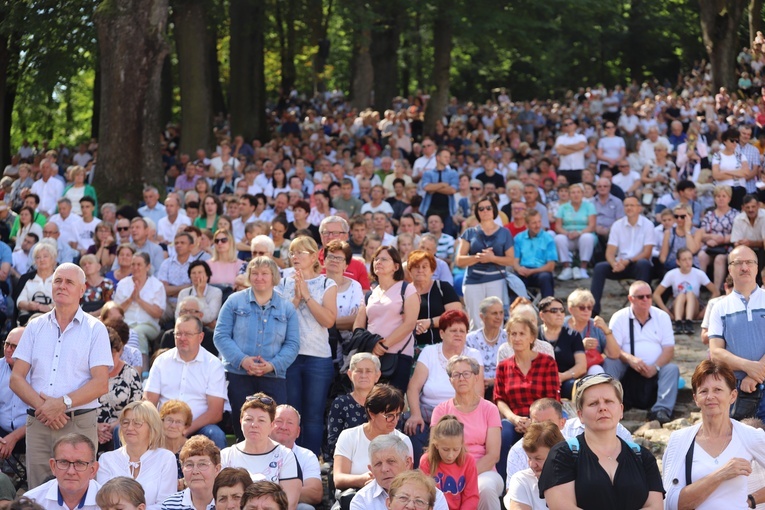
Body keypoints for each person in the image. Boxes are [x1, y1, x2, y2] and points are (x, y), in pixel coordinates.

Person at [10, 262, 112, 489]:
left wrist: (62, 404)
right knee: (38, 491)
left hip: (78, 422)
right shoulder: (34, 326)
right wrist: (46, 408)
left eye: (69, 282)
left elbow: (101, 383)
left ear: (82, 289)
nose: (62, 286)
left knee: (78, 491)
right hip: (39, 422)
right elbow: (16, 378)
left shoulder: (95, 329)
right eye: (57, 280)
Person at [538, 374, 664, 510]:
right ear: (580, 415)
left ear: (621, 410)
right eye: (593, 403)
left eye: (609, 401)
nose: (602, 408)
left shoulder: (643, 457)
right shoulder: (561, 455)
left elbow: (655, 506)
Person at [214, 256, 299, 440]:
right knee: (243, 428)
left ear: (273, 277)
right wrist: (243, 360)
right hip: (238, 375)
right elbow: (220, 335)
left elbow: (293, 344)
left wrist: (272, 365)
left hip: (274, 376)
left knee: (274, 428)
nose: (259, 278)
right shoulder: (233, 302)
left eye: (264, 274)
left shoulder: (287, 308)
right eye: (255, 273)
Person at [662, 360, 765, 510]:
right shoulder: (680, 440)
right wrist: (721, 474)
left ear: (733, 395)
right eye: (704, 391)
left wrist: (751, 500)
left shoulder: (749, 435)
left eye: (718, 390)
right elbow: (671, 503)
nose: (710, 396)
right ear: (696, 398)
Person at [278, 236, 337, 456]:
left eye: (300, 252)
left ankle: (310, 464)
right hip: (289, 356)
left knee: (313, 415)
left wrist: (307, 296)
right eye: (292, 252)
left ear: (314, 256)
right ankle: (289, 460)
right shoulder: (283, 282)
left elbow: (328, 321)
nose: (295, 257)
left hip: (317, 357)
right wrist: (295, 298)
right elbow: (280, 319)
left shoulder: (326, 283)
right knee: (290, 413)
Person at [144, 315, 228, 449]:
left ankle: (219, 470)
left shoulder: (213, 365)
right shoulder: (161, 361)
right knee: (129, 429)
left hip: (198, 427)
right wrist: (161, 427)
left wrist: (184, 430)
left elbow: (216, 412)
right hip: (163, 425)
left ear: (200, 337)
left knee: (215, 434)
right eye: (178, 334)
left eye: (188, 334)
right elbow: (149, 403)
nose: (182, 338)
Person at [431, 356, 502, 510]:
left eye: (466, 374)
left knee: (486, 488)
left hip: (483, 471)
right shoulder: (441, 410)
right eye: (456, 375)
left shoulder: (490, 409)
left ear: (476, 377)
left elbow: (493, 455)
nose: (461, 378)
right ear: (450, 380)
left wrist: (465, 476)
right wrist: (454, 475)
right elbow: (434, 448)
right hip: (446, 472)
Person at [606, 280, 679, 424]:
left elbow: (669, 349)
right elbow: (613, 350)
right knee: (610, 362)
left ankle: (661, 410)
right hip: (627, 367)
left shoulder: (662, 316)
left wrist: (655, 367)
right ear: (630, 298)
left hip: (655, 368)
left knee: (672, 369)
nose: (646, 300)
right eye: (641, 297)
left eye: (649, 296)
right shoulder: (619, 317)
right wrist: (630, 359)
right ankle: (611, 404)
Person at [708, 245, 765, 420]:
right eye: (738, 263)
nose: (744, 267)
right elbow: (716, 353)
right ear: (730, 269)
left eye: (749, 262)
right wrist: (747, 367)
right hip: (735, 390)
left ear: (756, 267)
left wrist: (755, 375)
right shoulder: (719, 308)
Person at [353, 245, 418, 394]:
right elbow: (359, 323)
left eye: (384, 259)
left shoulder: (407, 289)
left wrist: (383, 346)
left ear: (396, 266)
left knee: (393, 404)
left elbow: (409, 324)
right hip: (371, 357)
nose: (378, 262)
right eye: (376, 259)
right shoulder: (370, 293)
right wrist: (370, 344)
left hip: (398, 356)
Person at [220, 394, 301, 510]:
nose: (254, 425)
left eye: (261, 420)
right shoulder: (226, 455)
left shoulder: (285, 456)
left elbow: (288, 504)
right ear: (240, 421)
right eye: (248, 419)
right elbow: (220, 499)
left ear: (272, 425)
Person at [494, 315, 560, 454]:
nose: (517, 338)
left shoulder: (547, 362)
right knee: (503, 433)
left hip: (542, 418)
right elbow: (499, 399)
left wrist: (534, 422)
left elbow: (551, 399)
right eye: (513, 334)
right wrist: (514, 419)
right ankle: (503, 475)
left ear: (531, 338)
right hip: (514, 419)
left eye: (522, 334)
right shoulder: (503, 366)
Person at [334, 385, 413, 498]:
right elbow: (338, 478)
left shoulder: (403, 440)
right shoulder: (349, 436)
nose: (395, 421)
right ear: (371, 413)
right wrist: (363, 479)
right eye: (389, 416)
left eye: (398, 415)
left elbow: (407, 478)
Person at [97, 401, 178, 510]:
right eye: (125, 422)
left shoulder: (166, 458)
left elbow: (166, 505)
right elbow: (103, 503)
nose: (129, 428)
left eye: (137, 423)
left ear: (151, 427)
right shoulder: (106, 459)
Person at [456, 196, 515, 330]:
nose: (485, 211)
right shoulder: (469, 232)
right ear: (477, 212)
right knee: (475, 322)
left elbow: (511, 260)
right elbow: (459, 260)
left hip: (496, 280)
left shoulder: (505, 232)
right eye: (481, 208)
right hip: (473, 281)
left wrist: (492, 258)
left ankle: (496, 351)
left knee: (496, 320)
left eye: (488, 208)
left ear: (494, 210)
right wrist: (477, 257)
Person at [590, 196, 654, 315]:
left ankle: (640, 308)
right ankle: (593, 310)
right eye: (626, 205)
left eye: (632, 205)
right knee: (600, 267)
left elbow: (647, 253)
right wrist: (614, 263)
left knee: (644, 263)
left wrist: (628, 261)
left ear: (639, 208)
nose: (629, 208)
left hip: (637, 265)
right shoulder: (617, 225)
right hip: (620, 265)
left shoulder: (648, 225)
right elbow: (609, 252)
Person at [348, 435, 447, 510]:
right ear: (371, 469)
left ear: (407, 462)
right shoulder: (361, 501)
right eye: (378, 464)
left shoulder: (433, 495)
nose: (384, 469)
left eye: (391, 461)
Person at [113, 252, 166, 371]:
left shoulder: (157, 285)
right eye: (133, 264)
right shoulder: (123, 284)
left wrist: (139, 300)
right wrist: (131, 299)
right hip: (125, 324)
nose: (135, 268)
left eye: (139, 264)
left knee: (136, 333)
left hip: (149, 325)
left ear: (148, 267)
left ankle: (142, 372)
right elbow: (116, 310)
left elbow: (158, 313)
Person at [23, 434, 101, 510]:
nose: (71, 471)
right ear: (53, 466)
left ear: (93, 470)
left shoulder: (109, 503)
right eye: (64, 462)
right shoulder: (31, 502)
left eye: (79, 463)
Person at [327, 353, 382, 461]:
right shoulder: (341, 403)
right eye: (359, 371)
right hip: (349, 461)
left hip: (381, 461)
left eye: (368, 371)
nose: (363, 375)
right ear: (350, 374)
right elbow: (333, 442)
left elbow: (395, 439)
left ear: (377, 375)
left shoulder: (386, 403)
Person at [419, 415, 479, 510]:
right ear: (436, 444)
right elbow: (423, 496)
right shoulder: (426, 460)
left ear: (461, 444)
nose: (450, 455)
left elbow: (471, 497)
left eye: (456, 449)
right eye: (445, 449)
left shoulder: (468, 460)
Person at [654, 248, 719, 334]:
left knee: (689, 294)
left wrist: (705, 311)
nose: (688, 262)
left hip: (694, 307)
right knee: (681, 295)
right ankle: (678, 322)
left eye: (690, 259)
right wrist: (667, 312)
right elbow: (656, 294)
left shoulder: (699, 274)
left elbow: (716, 292)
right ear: (678, 262)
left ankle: (689, 322)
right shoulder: (672, 274)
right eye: (684, 259)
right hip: (677, 306)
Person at [270, 405, 323, 510]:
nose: (284, 427)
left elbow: (315, 493)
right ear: (269, 425)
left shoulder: (307, 456)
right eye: (279, 421)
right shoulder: (256, 450)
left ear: (298, 432)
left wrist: (272, 493)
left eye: (290, 423)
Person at [97, 327, 142, 450]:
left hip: (121, 426)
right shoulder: (86, 374)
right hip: (90, 425)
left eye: (112, 355)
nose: (108, 361)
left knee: (120, 431)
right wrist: (95, 427)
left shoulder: (130, 373)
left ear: (120, 351)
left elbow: (136, 407)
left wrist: (114, 426)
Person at [504, 421, 565, 510]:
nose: (532, 465)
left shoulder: (577, 478)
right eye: (529, 458)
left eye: (538, 459)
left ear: (558, 455)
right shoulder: (521, 480)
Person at [408, 250, 461, 347]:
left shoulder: (443, 288)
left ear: (432, 270)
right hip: (409, 349)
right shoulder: (403, 292)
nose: (420, 270)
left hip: (441, 347)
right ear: (410, 271)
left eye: (424, 267)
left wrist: (430, 322)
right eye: (416, 267)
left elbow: (456, 316)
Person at [537, 296, 586, 400]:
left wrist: (562, 376)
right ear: (542, 315)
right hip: (538, 380)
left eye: (562, 310)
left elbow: (581, 366)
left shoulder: (573, 335)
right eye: (554, 311)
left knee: (574, 386)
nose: (559, 314)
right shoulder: (534, 335)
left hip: (565, 380)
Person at [324, 240, 364, 364]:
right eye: (330, 256)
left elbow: (355, 320)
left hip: (346, 350)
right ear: (324, 260)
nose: (334, 260)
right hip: (320, 348)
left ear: (346, 265)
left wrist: (324, 321)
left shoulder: (354, 286)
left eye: (339, 258)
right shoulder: (315, 284)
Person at [564, 289, 620, 376]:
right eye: (582, 307)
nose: (586, 310)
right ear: (571, 309)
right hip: (567, 368)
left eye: (589, 307)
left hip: (591, 368)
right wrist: (580, 346)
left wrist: (606, 330)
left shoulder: (596, 325)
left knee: (599, 368)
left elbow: (614, 354)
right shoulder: (562, 325)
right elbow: (558, 353)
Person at [161, 435, 221, 510]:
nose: (195, 471)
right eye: (189, 464)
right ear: (182, 469)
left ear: (217, 469)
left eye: (202, 464)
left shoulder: (227, 504)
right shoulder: (169, 506)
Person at [466, 297, 508, 400]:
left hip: (504, 385)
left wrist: (494, 381)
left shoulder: (509, 337)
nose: (499, 317)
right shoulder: (470, 339)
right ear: (482, 316)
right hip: (475, 385)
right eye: (494, 313)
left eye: (501, 313)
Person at [698, 185, 737, 293]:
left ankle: (716, 291)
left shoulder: (735, 214)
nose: (720, 198)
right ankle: (699, 288)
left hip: (726, 247)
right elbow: (701, 233)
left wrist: (722, 239)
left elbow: (737, 234)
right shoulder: (709, 214)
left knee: (719, 259)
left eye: (724, 196)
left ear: (729, 198)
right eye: (718, 196)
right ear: (714, 198)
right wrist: (710, 238)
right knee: (702, 256)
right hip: (710, 246)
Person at [553, 184, 596, 281]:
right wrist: (567, 233)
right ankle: (566, 267)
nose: (576, 195)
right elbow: (558, 226)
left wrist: (579, 232)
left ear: (582, 194)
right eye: (573, 192)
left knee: (587, 237)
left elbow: (592, 226)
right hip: (568, 235)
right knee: (558, 238)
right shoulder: (563, 207)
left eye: (578, 192)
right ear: (569, 195)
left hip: (584, 234)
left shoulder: (589, 206)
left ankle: (583, 268)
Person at [512, 209, 557, 298]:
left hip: (541, 271)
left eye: (539, 222)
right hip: (524, 271)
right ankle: (514, 309)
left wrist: (532, 271)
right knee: (514, 279)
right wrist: (519, 269)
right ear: (527, 224)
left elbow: (551, 266)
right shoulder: (519, 238)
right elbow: (515, 261)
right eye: (534, 223)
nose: (538, 225)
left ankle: (548, 307)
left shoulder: (548, 238)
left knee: (545, 277)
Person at [0, 328, 26, 469]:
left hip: (30, 432)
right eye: (7, 344)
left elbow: (40, 416)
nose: (8, 349)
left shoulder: (39, 373)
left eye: (14, 346)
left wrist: (14, 437)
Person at [16, 241, 57, 325]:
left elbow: (66, 302)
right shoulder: (27, 279)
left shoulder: (60, 279)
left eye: (45, 256)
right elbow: (20, 301)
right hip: (29, 319)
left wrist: (49, 307)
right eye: (38, 257)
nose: (41, 260)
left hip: (54, 319)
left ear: (53, 259)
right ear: (34, 261)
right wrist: (28, 305)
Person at [713, 127, 750, 210]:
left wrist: (725, 172)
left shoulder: (741, 155)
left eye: (737, 141)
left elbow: (746, 172)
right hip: (723, 190)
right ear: (725, 141)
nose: (735, 143)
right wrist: (738, 174)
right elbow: (716, 175)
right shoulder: (717, 156)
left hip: (739, 189)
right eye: (732, 141)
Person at [177, 261, 222, 328]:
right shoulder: (183, 293)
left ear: (207, 275)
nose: (196, 276)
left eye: (200, 272)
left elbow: (209, 318)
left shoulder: (216, 292)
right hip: (186, 328)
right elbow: (178, 317)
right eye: (193, 273)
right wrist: (205, 322)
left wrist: (200, 295)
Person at [730, 194, 765, 280]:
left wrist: (751, 243)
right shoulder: (738, 219)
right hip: (746, 250)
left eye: (753, 206)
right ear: (743, 207)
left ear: (758, 206)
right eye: (748, 207)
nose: (751, 210)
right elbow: (736, 243)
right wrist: (742, 245)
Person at [159, 400, 192, 486]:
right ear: (161, 423)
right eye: (169, 420)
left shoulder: (192, 449)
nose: (173, 426)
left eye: (178, 422)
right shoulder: (152, 448)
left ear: (186, 428)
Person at [554, 118, 587, 184]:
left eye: (570, 123)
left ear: (575, 125)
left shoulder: (581, 137)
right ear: (564, 127)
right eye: (566, 125)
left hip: (578, 168)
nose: (569, 126)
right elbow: (560, 151)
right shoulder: (560, 138)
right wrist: (576, 149)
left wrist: (565, 146)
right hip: (564, 169)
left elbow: (581, 146)